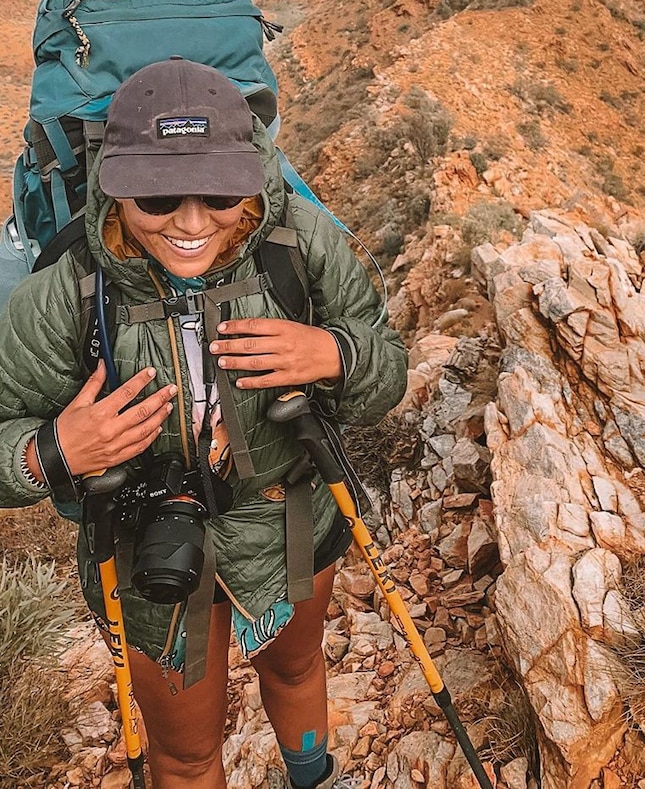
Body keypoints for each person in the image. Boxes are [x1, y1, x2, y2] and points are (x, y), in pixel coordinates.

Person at [0, 57, 408, 789]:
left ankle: (312, 776)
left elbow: (387, 365)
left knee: (296, 668)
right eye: (155, 199)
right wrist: (52, 451)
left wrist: (336, 355)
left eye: (220, 192)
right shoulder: (66, 293)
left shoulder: (299, 247)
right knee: (186, 752)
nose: (192, 224)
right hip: (147, 550)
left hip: (286, 519)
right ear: (113, 185)